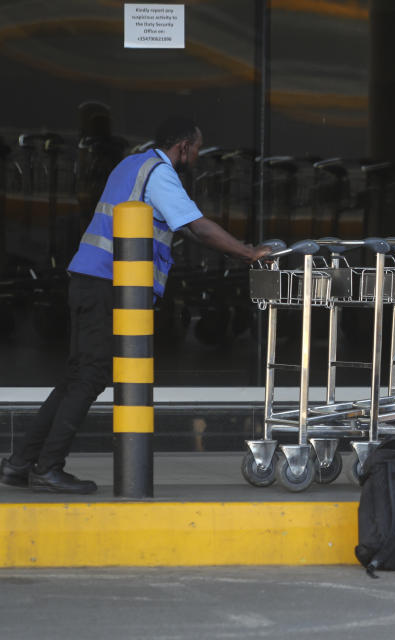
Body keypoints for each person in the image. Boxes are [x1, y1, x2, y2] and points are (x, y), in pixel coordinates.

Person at [0, 116, 272, 494]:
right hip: (110, 285)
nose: (195, 157)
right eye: (194, 149)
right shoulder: (159, 172)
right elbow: (195, 226)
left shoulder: (132, 164)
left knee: (77, 375)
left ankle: (20, 464)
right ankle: (47, 467)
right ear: (182, 147)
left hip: (88, 280)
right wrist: (247, 253)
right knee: (91, 375)